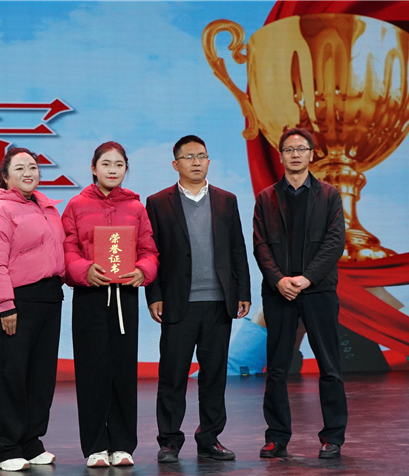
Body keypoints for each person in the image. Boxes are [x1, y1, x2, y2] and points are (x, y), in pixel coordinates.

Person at [145, 135, 251, 463]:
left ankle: (210, 438)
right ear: (175, 164)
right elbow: (151, 252)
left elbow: (237, 248)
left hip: (218, 302)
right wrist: (154, 294)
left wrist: (243, 292)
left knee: (214, 375)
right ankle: (169, 442)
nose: (196, 162)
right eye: (188, 157)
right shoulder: (158, 202)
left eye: (201, 156)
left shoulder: (226, 200)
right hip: (178, 302)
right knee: (173, 375)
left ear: (208, 161)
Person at [62, 141, 159, 468]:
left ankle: (122, 444)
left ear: (126, 169)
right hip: (89, 295)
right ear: (93, 168)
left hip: (124, 297)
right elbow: (67, 249)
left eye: (119, 164)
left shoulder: (135, 207)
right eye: (106, 164)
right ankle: (95, 446)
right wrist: (83, 271)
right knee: (91, 371)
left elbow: (148, 250)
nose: (113, 170)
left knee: (123, 370)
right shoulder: (76, 205)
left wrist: (142, 271)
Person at [253, 127, 348, 459]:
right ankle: (277, 436)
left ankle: (333, 436)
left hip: (318, 291)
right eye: (289, 149)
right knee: (277, 368)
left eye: (301, 149)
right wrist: (279, 280)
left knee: (329, 366)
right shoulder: (266, 197)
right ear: (280, 156)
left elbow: (334, 242)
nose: (295, 154)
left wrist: (306, 279)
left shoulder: (329, 195)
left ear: (311, 154)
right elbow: (260, 245)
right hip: (279, 292)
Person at [0, 147, 66, 472]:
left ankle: (30, 442)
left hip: (49, 298)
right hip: (15, 302)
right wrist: (5, 305)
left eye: (33, 167)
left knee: (40, 376)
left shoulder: (45, 206)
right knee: (9, 375)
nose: (29, 173)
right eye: (20, 168)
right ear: (5, 176)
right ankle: (4, 449)